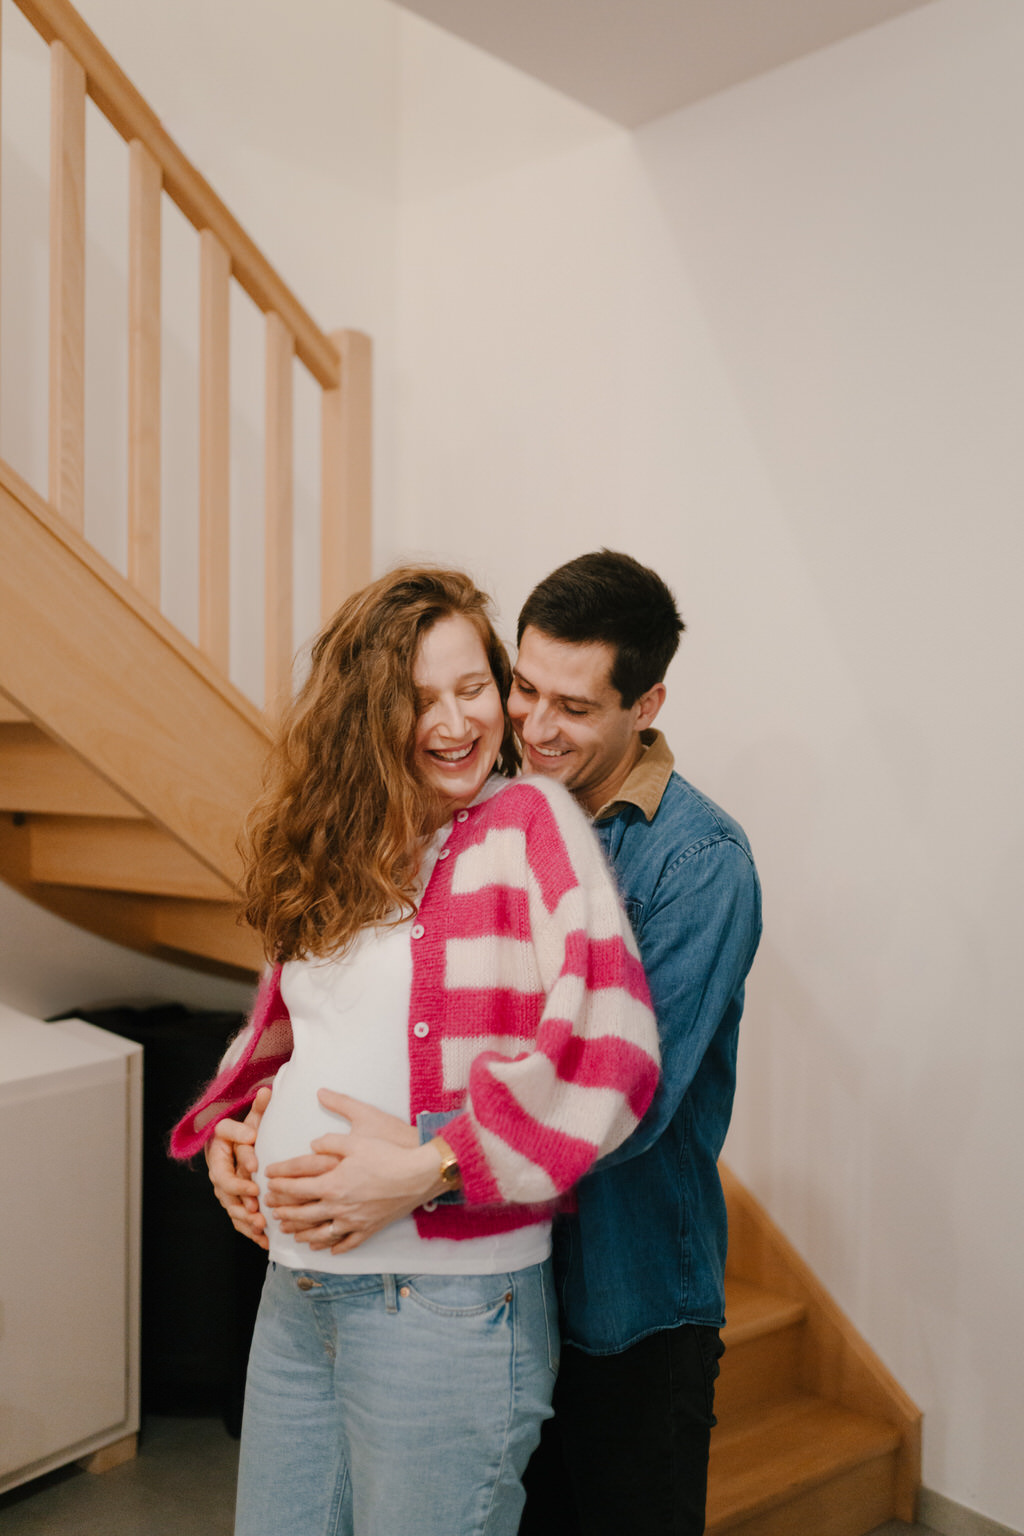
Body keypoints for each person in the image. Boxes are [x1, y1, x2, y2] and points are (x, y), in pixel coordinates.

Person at [208, 551, 761, 1536]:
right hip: (446, 1272)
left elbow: (630, 1097)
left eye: (576, 708)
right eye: (524, 690)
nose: (537, 730)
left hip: (617, 1295)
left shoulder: (694, 862)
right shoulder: (455, 812)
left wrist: (420, 1163)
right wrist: (260, 1112)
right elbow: (360, 1014)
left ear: (646, 704)